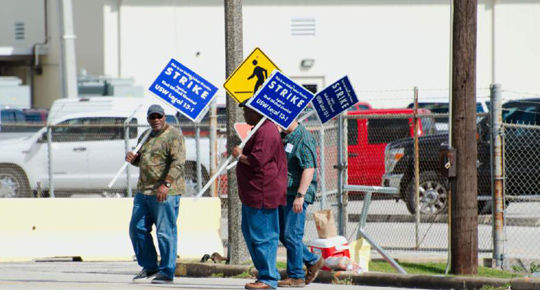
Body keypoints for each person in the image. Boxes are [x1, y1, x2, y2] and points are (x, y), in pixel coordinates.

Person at [125, 104, 185, 284]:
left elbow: (178, 163)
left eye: (159, 116)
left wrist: (166, 184)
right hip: (144, 191)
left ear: (165, 117)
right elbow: (143, 161)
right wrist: (133, 160)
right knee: (137, 228)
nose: (156, 120)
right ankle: (150, 265)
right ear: (148, 119)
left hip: (166, 192)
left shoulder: (174, 135)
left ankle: (167, 272)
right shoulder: (146, 136)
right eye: (152, 117)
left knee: (165, 232)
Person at [232, 104, 287, 289]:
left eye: (247, 111)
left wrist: (239, 156)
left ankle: (269, 278)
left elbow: (257, 161)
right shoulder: (258, 129)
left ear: (257, 112)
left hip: (263, 192)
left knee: (264, 236)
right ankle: (264, 274)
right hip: (252, 194)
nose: (244, 114)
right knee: (250, 233)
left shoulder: (267, 130)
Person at [277, 119, 324, 287]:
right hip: (285, 192)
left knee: (292, 234)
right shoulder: (284, 136)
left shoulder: (303, 138)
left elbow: (309, 168)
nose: (279, 124)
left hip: (297, 193)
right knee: (282, 233)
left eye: (281, 121)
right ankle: (312, 260)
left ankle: (296, 276)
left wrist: (300, 195)